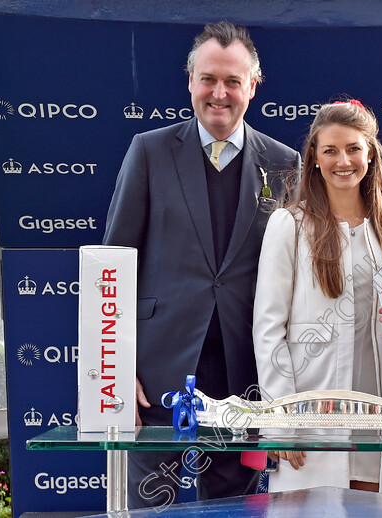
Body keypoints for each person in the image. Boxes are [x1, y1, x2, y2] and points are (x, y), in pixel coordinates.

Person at [103, 21, 300, 508]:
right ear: (190, 80)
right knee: (151, 505)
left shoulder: (285, 163)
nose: (219, 93)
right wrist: (116, 369)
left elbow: (294, 280)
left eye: (233, 81)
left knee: (235, 507)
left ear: (253, 87)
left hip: (246, 375)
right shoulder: (148, 151)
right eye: (208, 79)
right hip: (157, 377)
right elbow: (115, 264)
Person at [253, 100, 382, 495]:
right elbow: (268, 329)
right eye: (330, 150)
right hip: (311, 417)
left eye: (354, 148)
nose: (344, 160)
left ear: (370, 155)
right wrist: (281, 420)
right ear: (315, 159)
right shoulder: (289, 224)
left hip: (378, 410)